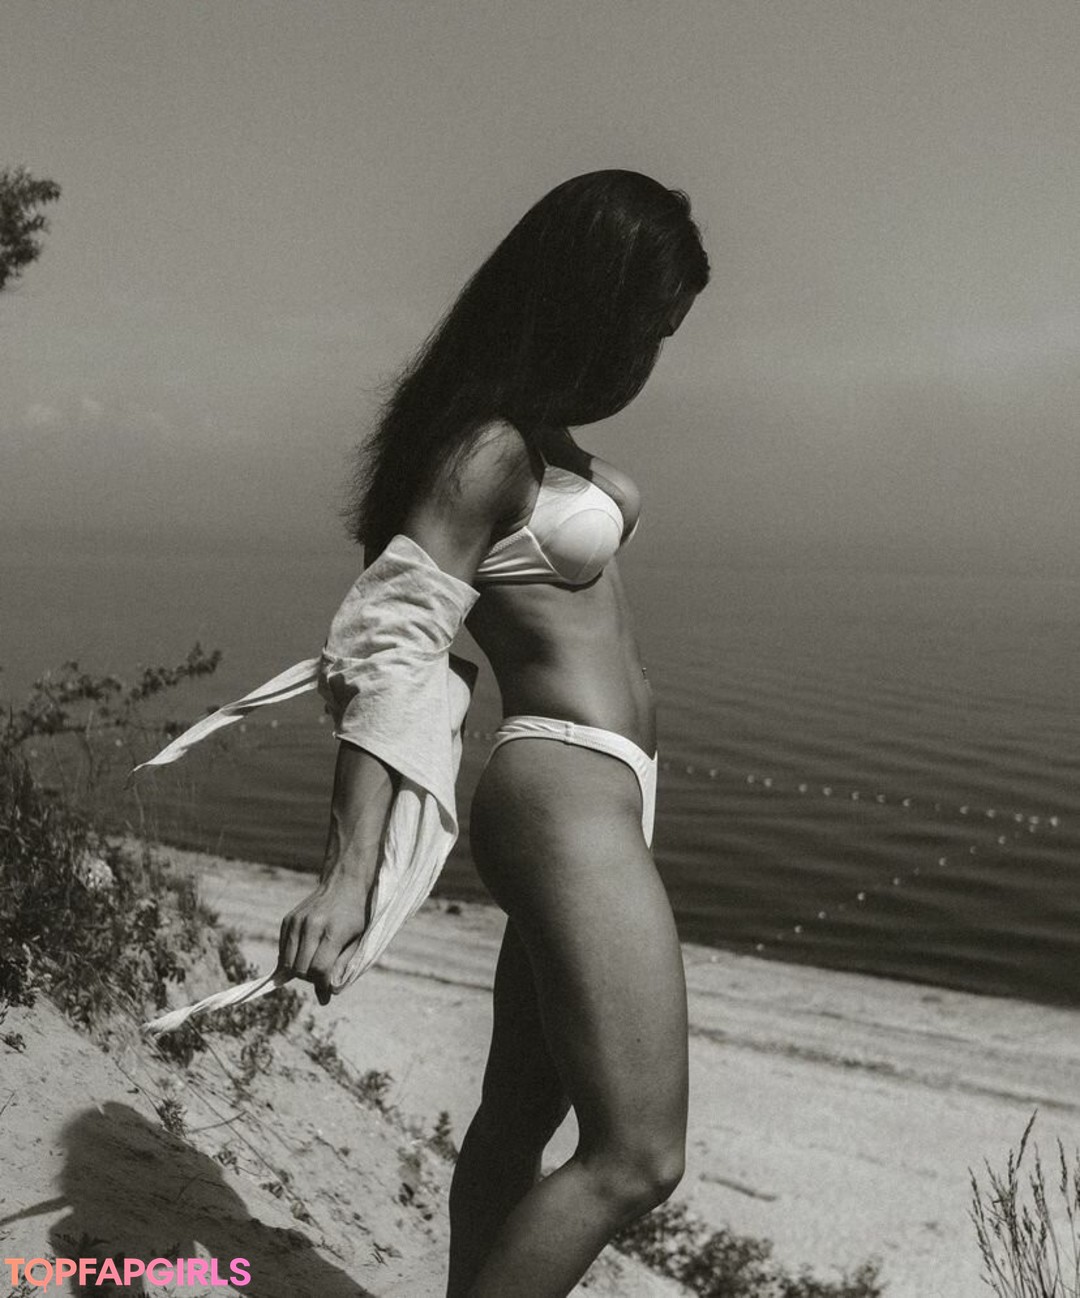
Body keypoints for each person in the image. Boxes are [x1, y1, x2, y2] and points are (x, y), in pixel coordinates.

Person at [278, 169, 709, 1298]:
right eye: (649, 327)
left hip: (606, 792)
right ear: (591, 300)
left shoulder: (534, 438)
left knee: (517, 1118)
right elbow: (393, 641)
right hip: (563, 792)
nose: (649, 358)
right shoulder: (485, 448)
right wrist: (347, 873)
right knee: (638, 1156)